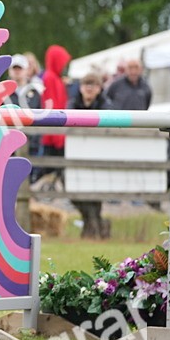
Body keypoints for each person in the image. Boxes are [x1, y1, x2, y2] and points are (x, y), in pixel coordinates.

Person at [69, 73, 109, 238]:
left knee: (95, 193)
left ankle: (94, 226)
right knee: (73, 191)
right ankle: (92, 223)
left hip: (99, 154)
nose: (89, 88)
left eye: (93, 85)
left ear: (100, 89)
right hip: (75, 154)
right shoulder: (72, 105)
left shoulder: (107, 106)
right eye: (86, 84)